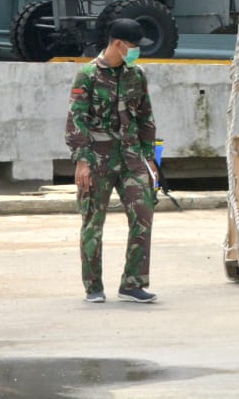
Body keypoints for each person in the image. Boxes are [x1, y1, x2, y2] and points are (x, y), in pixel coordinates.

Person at [65, 18, 159, 304]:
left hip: (132, 157)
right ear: (118, 43)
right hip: (98, 158)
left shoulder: (137, 75)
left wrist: (151, 160)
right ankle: (93, 286)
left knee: (143, 215)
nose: (136, 52)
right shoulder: (88, 75)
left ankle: (133, 283)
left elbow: (145, 118)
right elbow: (75, 121)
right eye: (132, 46)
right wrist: (82, 162)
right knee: (93, 221)